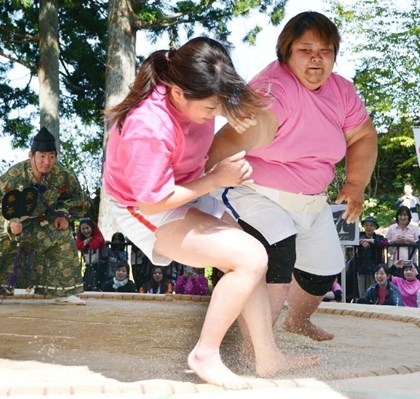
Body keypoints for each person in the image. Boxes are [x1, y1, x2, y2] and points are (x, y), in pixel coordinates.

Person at [102, 37, 318, 389]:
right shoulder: (148, 127)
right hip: (142, 205)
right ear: (177, 94)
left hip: (188, 183)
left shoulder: (199, 89)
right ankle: (205, 354)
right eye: (210, 109)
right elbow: (153, 201)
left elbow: (242, 108)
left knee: (252, 255)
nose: (215, 114)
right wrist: (216, 178)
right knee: (248, 257)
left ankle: (266, 357)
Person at [207, 11, 378, 341]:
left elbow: (363, 136)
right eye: (306, 50)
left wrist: (355, 183)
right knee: (277, 252)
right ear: (286, 52)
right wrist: (195, 183)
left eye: (325, 51)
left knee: (324, 270)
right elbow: (244, 132)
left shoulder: (341, 90)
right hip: (256, 192)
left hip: (312, 200)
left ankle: (297, 320)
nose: (316, 59)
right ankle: (255, 346)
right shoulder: (274, 88)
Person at [0, 127, 90, 304]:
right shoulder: (14, 176)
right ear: (31, 155)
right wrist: (7, 225)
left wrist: (64, 214)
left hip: (40, 223)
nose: (47, 162)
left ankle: (63, 292)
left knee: (62, 237)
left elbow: (81, 200)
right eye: (42, 156)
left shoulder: (62, 174)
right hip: (9, 223)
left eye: (51, 156)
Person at [356, 216, 388, 297]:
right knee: (362, 290)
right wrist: (361, 242)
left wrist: (370, 241)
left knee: (374, 289)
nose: (369, 227)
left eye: (371, 225)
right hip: (361, 267)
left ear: (375, 227)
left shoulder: (378, 237)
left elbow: (385, 243)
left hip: (375, 268)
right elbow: (352, 241)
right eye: (366, 225)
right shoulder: (359, 235)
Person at [386, 205, 420, 270]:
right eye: (400, 215)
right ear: (397, 216)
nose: (402, 217)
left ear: (409, 216)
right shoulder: (392, 228)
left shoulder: (415, 229)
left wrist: (408, 240)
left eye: (405, 215)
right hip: (394, 261)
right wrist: (395, 241)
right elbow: (386, 242)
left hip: (410, 261)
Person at [76, 218, 106, 291]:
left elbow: (94, 245)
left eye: (87, 228)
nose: (86, 231)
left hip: (100, 265)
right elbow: (77, 246)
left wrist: (86, 242)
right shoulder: (81, 236)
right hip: (88, 264)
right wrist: (86, 241)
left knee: (97, 285)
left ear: (91, 227)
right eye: (83, 229)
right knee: (87, 284)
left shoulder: (97, 233)